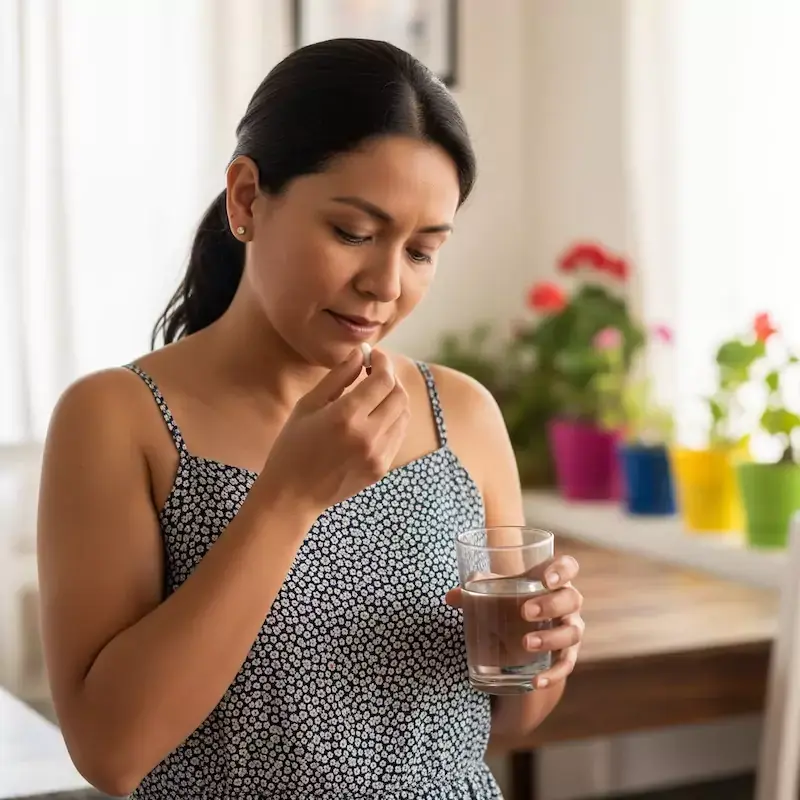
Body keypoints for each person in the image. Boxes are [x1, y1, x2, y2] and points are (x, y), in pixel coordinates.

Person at [36, 38, 584, 799]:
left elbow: (511, 721)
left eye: (423, 251)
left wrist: (541, 650)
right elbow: (110, 751)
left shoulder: (462, 415)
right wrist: (287, 500)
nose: (385, 284)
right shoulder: (118, 420)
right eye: (353, 233)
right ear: (247, 198)